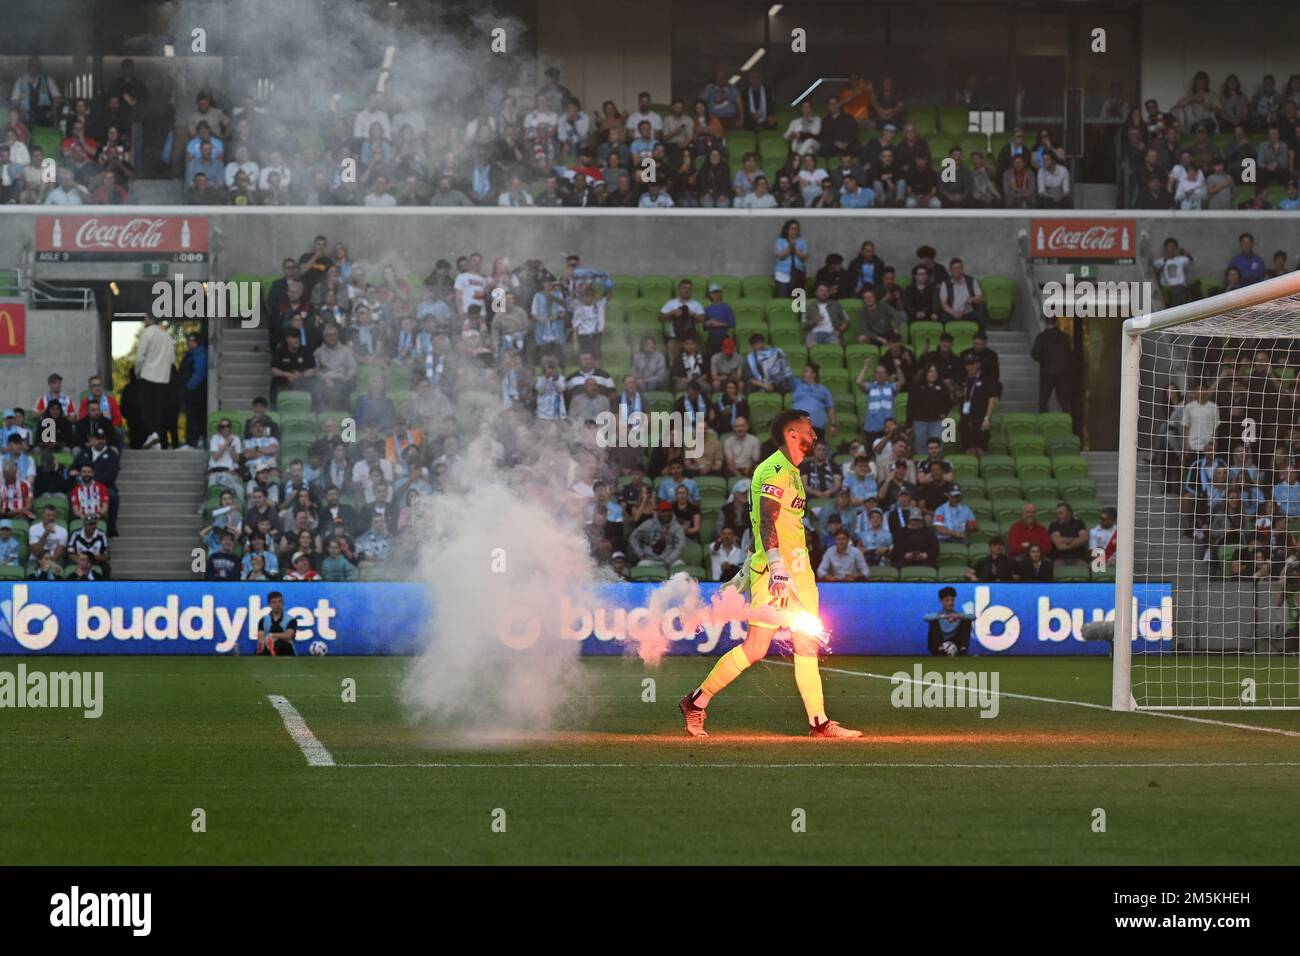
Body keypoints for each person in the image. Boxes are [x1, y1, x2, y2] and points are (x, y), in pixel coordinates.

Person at [680, 410, 862, 739]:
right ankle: (696, 701)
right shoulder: (773, 469)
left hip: (799, 572)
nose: (815, 436)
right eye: (808, 429)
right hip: (776, 574)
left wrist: (749, 567)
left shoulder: (791, 471)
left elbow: (767, 524)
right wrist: (773, 568)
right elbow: (765, 521)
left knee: (807, 644)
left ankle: (818, 723)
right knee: (756, 649)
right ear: (793, 434)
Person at [133, 315, 175, 448]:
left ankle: (152, 434)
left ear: (151, 320)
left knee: (145, 408)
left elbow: (140, 357)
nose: (144, 322)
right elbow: (172, 360)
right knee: (158, 411)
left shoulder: (147, 334)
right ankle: (156, 438)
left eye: (145, 319)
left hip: (148, 376)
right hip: (163, 379)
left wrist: (137, 373)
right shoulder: (167, 336)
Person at [1031, 316, 1072, 414]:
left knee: (1043, 401)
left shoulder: (1041, 337)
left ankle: (1045, 424)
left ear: (1045, 322)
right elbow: (1070, 354)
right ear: (1056, 321)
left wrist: (1044, 360)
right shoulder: (1065, 337)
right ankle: (1068, 424)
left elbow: (1035, 354)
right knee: (1065, 401)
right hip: (1063, 373)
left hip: (1047, 372)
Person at [925, 587, 976, 656]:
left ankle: (963, 649)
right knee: (933, 621)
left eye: (952, 600)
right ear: (941, 601)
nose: (950, 603)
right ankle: (941, 649)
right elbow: (926, 617)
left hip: (955, 643)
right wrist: (946, 616)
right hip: (938, 644)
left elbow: (973, 617)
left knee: (966, 621)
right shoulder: (938, 615)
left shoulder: (958, 615)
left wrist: (957, 616)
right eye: (947, 600)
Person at [256, 591, 298, 656]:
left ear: (283, 603)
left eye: (279, 601)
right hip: (268, 648)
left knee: (279, 644)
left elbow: (288, 635)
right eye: (274, 602)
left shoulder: (291, 620)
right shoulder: (263, 620)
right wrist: (268, 641)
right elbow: (260, 637)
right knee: (260, 649)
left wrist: (271, 636)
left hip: (286, 650)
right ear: (269, 604)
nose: (277, 604)